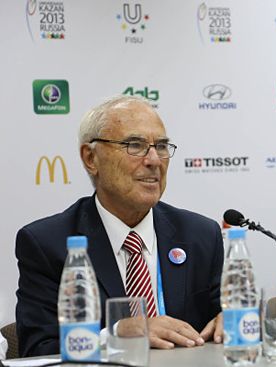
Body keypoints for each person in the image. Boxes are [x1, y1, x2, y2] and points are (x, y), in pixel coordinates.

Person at [16, 95, 224, 357]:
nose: (154, 160)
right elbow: (38, 349)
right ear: (91, 158)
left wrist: (227, 319)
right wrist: (116, 334)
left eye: (161, 146)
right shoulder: (48, 244)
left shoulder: (200, 235)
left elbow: (223, 313)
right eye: (134, 145)